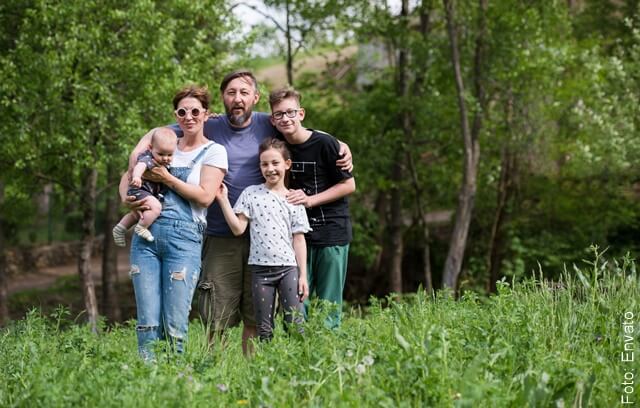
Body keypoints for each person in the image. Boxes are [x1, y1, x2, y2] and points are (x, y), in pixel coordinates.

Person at [126, 70, 352, 355]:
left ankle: (250, 372)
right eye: (231, 93)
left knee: (255, 314)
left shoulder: (266, 124)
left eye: (244, 93)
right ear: (223, 98)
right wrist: (138, 149)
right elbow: (167, 130)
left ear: (255, 98)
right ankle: (213, 370)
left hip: (263, 237)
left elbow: (299, 130)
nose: (237, 98)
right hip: (220, 234)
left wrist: (338, 144)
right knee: (216, 312)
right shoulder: (210, 123)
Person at [119, 85, 227, 359]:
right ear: (175, 115)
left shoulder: (214, 152)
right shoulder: (162, 144)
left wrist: (166, 178)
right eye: (182, 111)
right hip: (146, 238)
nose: (188, 116)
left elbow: (204, 197)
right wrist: (127, 199)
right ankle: (148, 381)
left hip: (185, 239)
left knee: (176, 322)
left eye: (195, 111)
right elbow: (129, 172)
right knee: (147, 320)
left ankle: (175, 382)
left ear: (206, 114)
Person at [269, 87, 356, 329]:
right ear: (272, 120)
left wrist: (310, 199)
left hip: (331, 232)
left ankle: (329, 359)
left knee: (329, 306)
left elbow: (349, 185)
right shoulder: (277, 146)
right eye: (279, 114)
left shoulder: (326, 143)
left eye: (290, 112)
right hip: (296, 238)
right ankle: (298, 359)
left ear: (301, 113)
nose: (285, 118)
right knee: (295, 304)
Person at [216, 138, 311, 342]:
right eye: (264, 164)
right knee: (264, 328)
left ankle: (300, 365)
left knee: (295, 322)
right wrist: (223, 200)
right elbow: (238, 228)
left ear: (287, 164)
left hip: (288, 269)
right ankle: (266, 369)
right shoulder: (251, 194)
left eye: (275, 163)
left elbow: (299, 240)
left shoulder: (294, 199)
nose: (270, 169)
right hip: (259, 271)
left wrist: (303, 275)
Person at [113, 128, 177, 246]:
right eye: (161, 154)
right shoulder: (148, 158)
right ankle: (141, 228)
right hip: (140, 189)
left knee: (137, 214)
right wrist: (137, 177)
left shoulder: (163, 161)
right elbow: (140, 166)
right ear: (150, 148)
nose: (165, 158)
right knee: (156, 207)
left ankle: (120, 228)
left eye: (169, 155)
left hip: (146, 192)